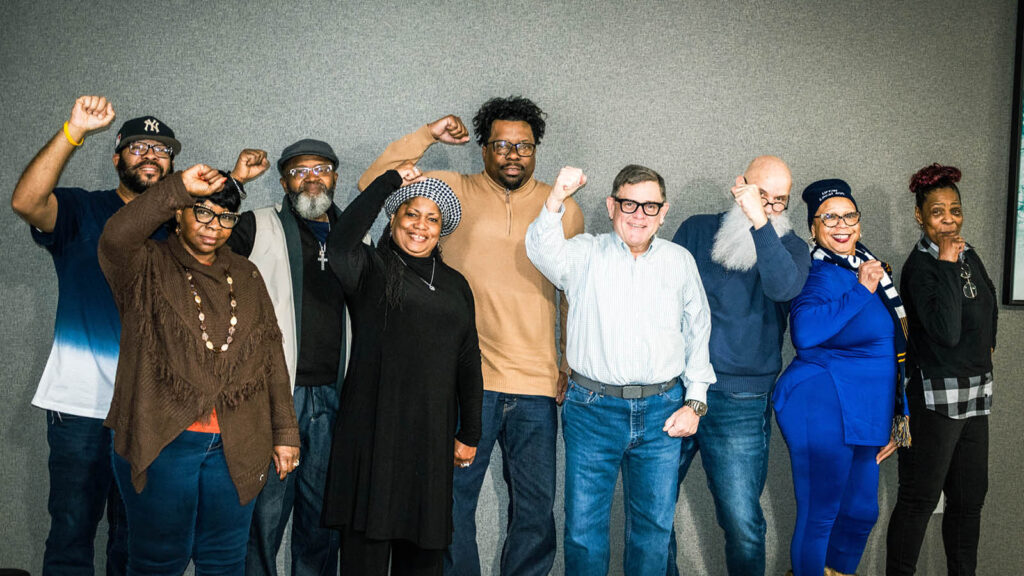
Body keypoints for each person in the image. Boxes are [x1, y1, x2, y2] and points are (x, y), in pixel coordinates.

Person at [358, 96, 584, 576]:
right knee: (452, 508)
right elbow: (370, 183)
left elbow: (571, 294)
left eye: (523, 146)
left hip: (537, 386)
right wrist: (427, 135)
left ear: (536, 149)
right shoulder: (452, 190)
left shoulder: (563, 209)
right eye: (501, 145)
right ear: (483, 149)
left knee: (535, 512)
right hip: (463, 384)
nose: (512, 155)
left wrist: (567, 361)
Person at [97, 164, 300, 575]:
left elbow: (271, 357)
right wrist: (177, 187)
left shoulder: (245, 274)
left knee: (225, 561)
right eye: (203, 212)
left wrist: (285, 433)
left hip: (238, 441)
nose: (214, 226)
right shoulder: (145, 264)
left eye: (225, 217)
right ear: (179, 212)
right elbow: (115, 237)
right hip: (164, 437)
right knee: (158, 561)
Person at [10, 95, 182, 576]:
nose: (151, 155)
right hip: (80, 406)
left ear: (172, 165)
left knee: (135, 542)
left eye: (162, 149)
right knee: (71, 535)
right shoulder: (82, 209)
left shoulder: (180, 227)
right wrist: (74, 131)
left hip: (150, 411)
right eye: (138, 147)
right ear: (116, 157)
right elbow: (25, 202)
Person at [526, 165, 716, 575]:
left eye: (650, 206)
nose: (639, 215)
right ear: (612, 206)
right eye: (629, 204)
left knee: (653, 531)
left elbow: (698, 331)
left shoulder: (679, 261)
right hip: (592, 411)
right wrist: (557, 196)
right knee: (584, 530)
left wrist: (695, 402)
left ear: (663, 212)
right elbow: (541, 250)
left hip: (663, 412)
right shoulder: (583, 253)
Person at [321, 169, 484, 576]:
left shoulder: (456, 285)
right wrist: (389, 181)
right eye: (411, 214)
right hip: (372, 434)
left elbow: (468, 359)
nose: (420, 226)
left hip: (429, 439)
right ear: (393, 219)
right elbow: (339, 241)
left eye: (432, 219)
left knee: (423, 559)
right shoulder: (369, 268)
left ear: (441, 231)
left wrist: (470, 432)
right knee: (366, 558)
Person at [669, 156, 810, 576]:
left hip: (742, 400)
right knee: (653, 511)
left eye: (779, 200)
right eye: (760, 195)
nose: (770, 206)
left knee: (742, 522)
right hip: (676, 390)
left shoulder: (791, 247)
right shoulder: (696, 229)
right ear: (739, 186)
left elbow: (782, 288)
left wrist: (760, 223)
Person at [225, 140, 349, 576]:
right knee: (264, 517)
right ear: (283, 182)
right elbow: (200, 243)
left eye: (321, 169)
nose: (311, 178)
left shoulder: (357, 234)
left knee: (322, 521)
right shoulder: (255, 226)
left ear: (335, 177)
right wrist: (233, 183)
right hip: (275, 396)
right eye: (299, 171)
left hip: (334, 396)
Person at [773, 179, 909, 576]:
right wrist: (862, 291)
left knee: (861, 512)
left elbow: (893, 347)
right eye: (829, 217)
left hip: (865, 410)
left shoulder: (867, 267)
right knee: (821, 513)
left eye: (849, 216)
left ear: (860, 223)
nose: (841, 225)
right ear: (812, 227)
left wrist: (897, 415)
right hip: (821, 404)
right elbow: (804, 333)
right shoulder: (816, 273)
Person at [885, 164, 997, 576]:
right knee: (919, 501)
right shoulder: (921, 267)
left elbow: (989, 304)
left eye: (955, 210)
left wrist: (987, 350)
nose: (949, 220)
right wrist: (947, 263)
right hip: (935, 400)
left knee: (969, 502)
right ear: (920, 216)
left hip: (976, 396)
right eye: (937, 212)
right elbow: (947, 332)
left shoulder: (969, 253)